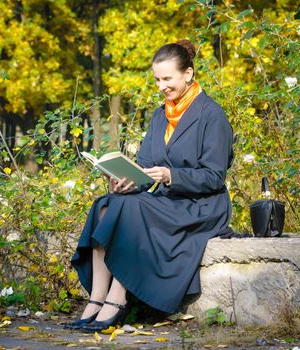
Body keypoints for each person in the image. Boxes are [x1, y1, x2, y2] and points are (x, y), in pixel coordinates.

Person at [65, 39, 234, 332]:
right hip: (169, 201)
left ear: (188, 74)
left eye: (167, 78)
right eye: (157, 79)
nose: (161, 86)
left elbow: (214, 176)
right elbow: (144, 167)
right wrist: (126, 182)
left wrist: (171, 176)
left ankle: (117, 300)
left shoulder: (212, 115)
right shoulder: (160, 115)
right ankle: (96, 297)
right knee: (107, 203)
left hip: (202, 206)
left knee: (131, 211)